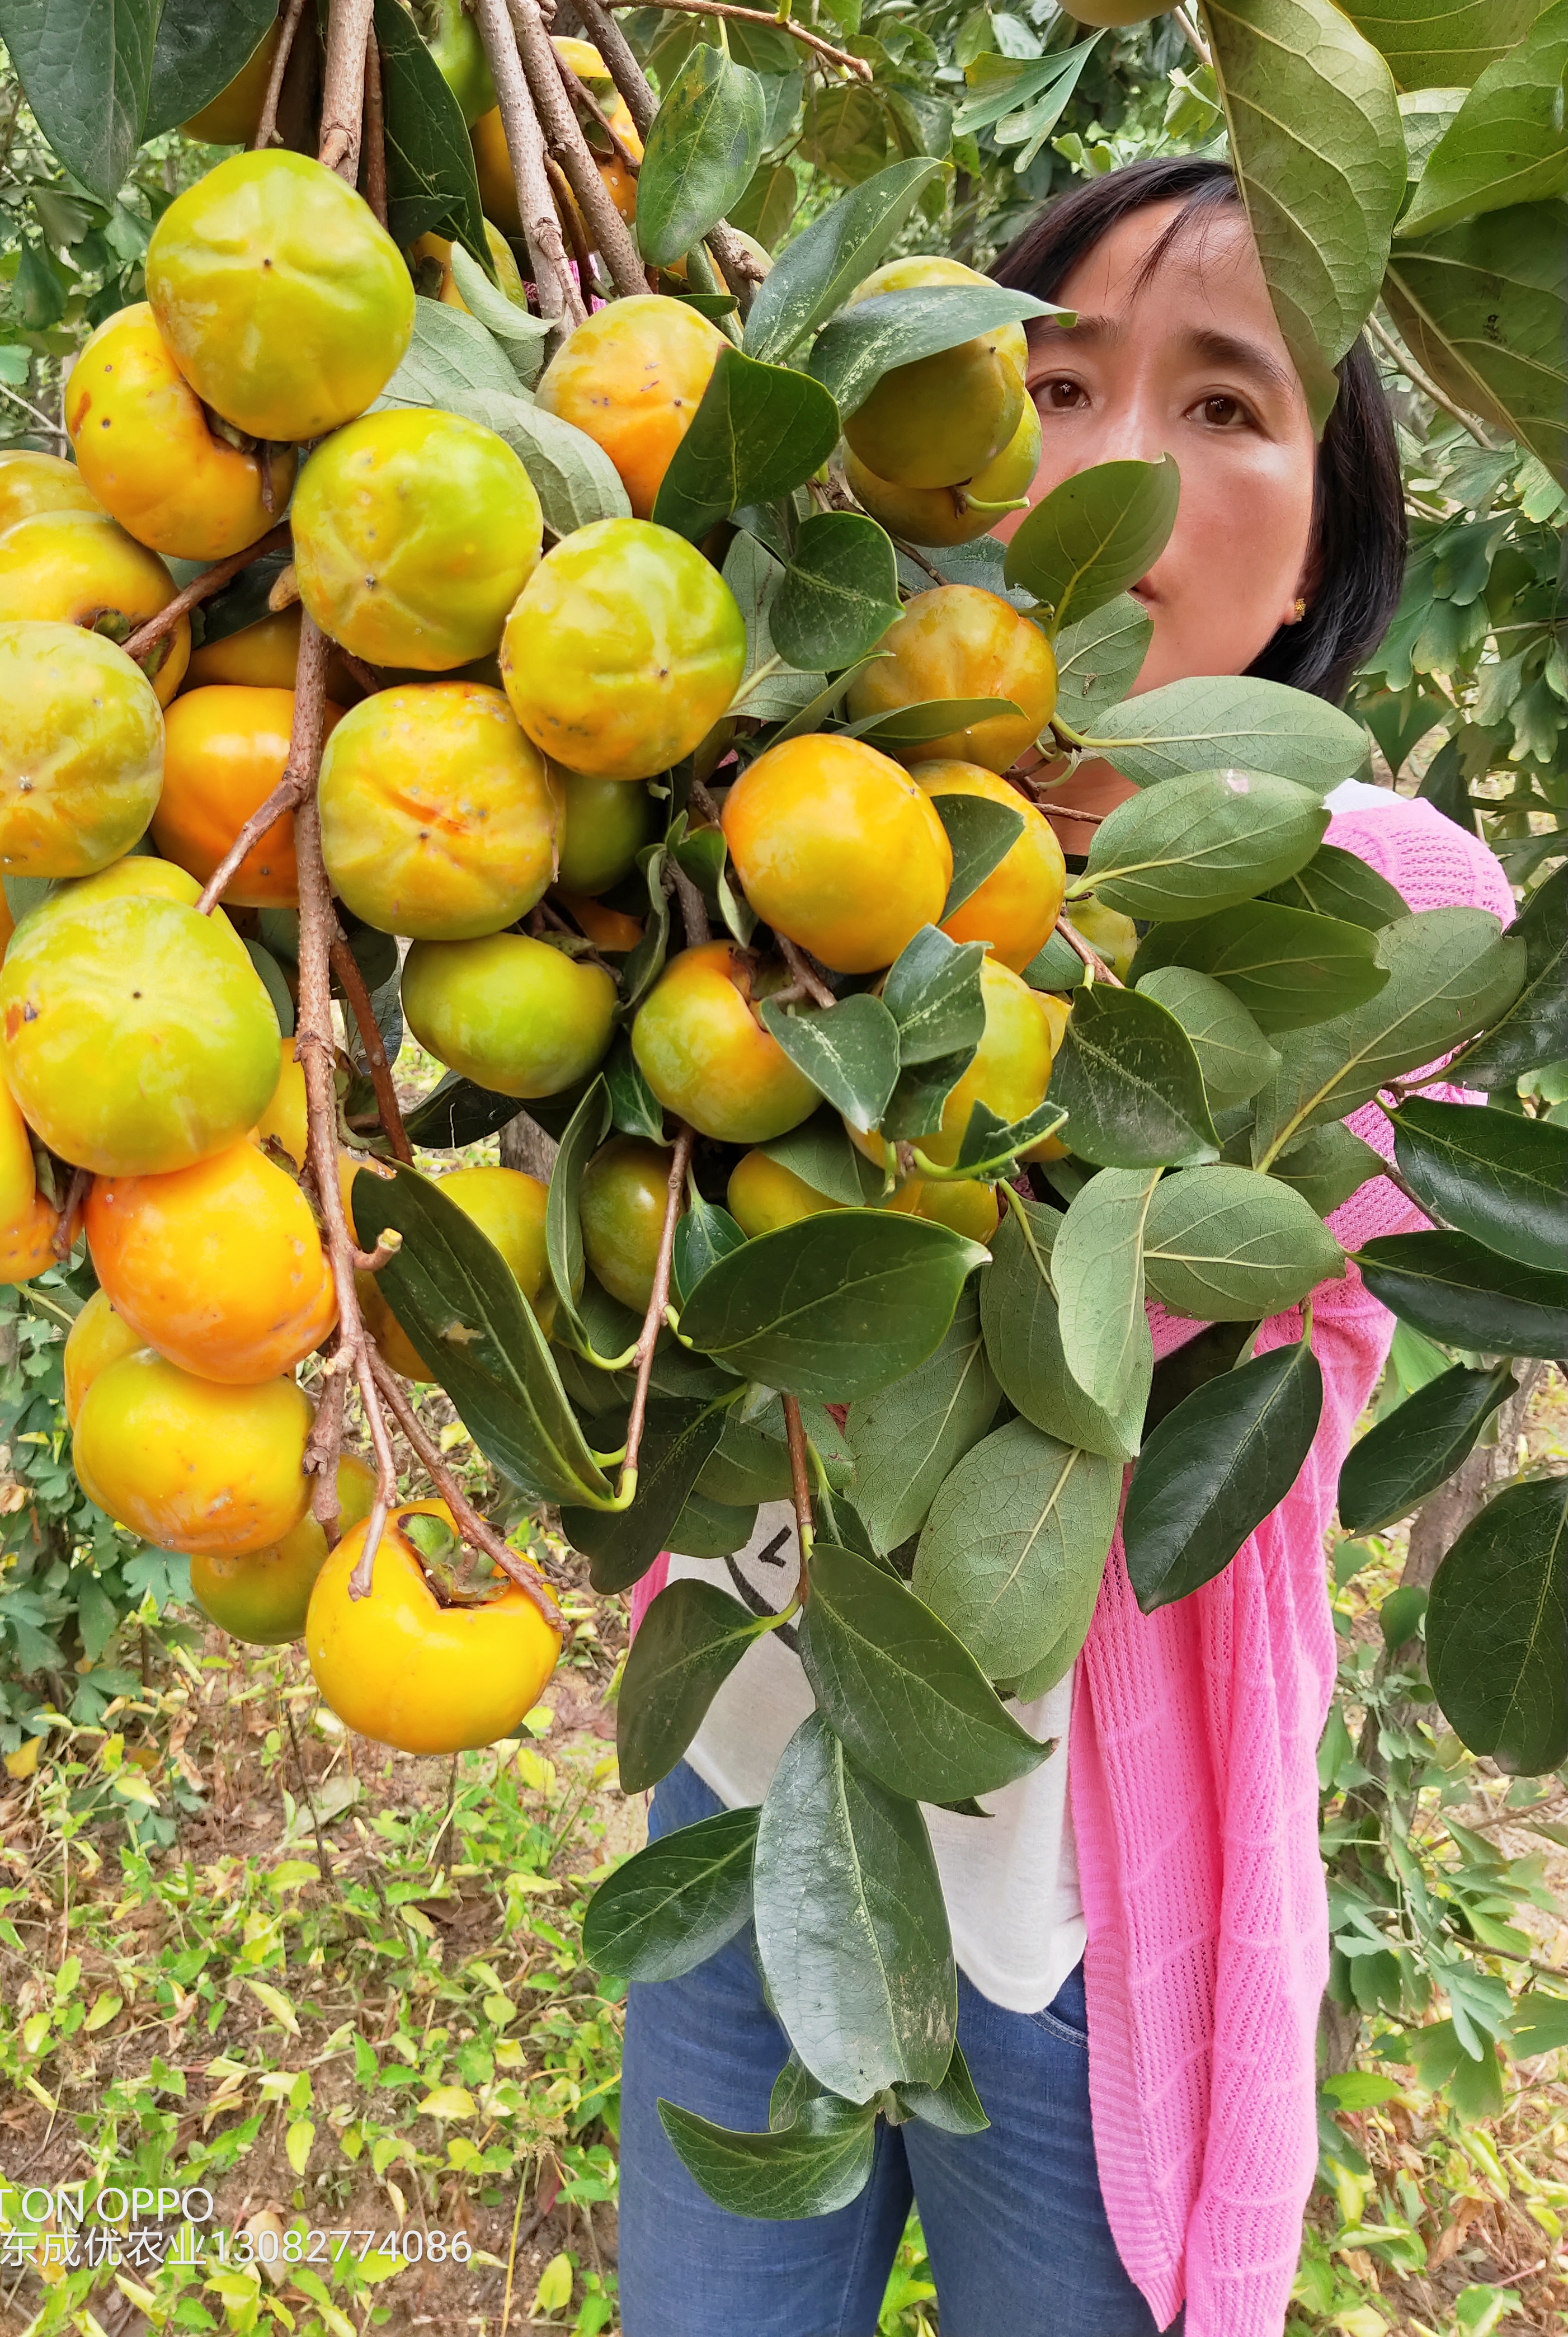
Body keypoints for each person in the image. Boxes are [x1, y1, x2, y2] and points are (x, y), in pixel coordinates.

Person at [613, 157, 1514, 2337]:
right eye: (1057, 379)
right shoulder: (777, 799)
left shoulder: (1384, 904)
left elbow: (1205, 1302)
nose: (1121, 461)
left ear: (1318, 549)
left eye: (1226, 406)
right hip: (756, 1786)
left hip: (1097, 1929)